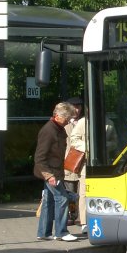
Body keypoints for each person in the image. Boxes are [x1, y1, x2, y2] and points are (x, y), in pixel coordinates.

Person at [34, 102, 78, 241]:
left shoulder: (58, 128)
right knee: (62, 199)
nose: (68, 121)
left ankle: (44, 233)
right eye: (67, 118)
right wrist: (49, 176)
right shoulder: (49, 131)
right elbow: (39, 157)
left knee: (49, 201)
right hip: (51, 173)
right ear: (58, 116)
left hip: (55, 171)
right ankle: (61, 232)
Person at [64, 96, 87, 234]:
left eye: (79, 106)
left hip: (82, 161)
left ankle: (80, 216)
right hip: (69, 161)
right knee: (70, 191)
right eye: (74, 107)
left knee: (81, 192)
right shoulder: (65, 123)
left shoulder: (85, 122)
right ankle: (71, 215)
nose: (77, 109)